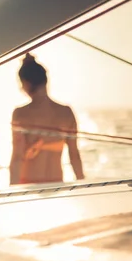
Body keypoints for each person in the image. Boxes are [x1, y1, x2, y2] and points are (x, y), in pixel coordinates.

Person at [9, 53, 85, 185]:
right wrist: (84, 185)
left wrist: (11, 192)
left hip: (28, 184)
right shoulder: (66, 112)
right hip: (56, 184)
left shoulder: (21, 114)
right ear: (45, 80)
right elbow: (74, 156)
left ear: (25, 83)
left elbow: (17, 157)